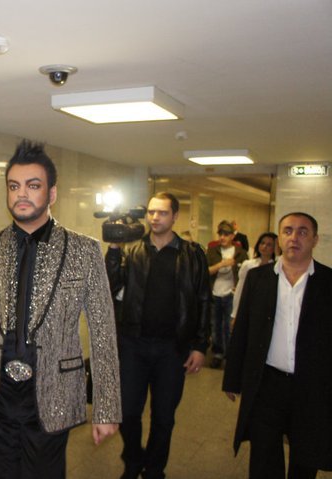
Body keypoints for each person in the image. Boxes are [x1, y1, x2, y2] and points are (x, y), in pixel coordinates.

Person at [0, 140, 121, 478]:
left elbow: (103, 333)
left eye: (33, 186)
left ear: (52, 193)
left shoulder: (84, 251)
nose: (21, 194)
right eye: (14, 186)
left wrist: (107, 408)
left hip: (52, 392)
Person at [105, 192, 211, 479]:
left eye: (162, 212)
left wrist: (200, 345)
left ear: (175, 216)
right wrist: (114, 246)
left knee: (164, 417)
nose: (155, 217)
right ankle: (133, 460)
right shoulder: (132, 251)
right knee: (128, 412)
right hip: (133, 344)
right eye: (151, 212)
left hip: (172, 349)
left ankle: (154, 469)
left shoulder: (192, 254)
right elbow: (109, 287)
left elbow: (203, 299)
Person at [223, 212, 332, 478]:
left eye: (303, 232)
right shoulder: (259, 278)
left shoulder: (328, 281)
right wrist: (232, 378)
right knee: (263, 456)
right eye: (288, 231)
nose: (294, 237)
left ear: (315, 239)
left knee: (306, 457)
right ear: (280, 238)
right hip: (267, 384)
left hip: (311, 385)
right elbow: (243, 329)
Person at [207, 220, 248, 368]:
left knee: (229, 327)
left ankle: (231, 355)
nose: (222, 237)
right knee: (215, 326)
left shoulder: (241, 253)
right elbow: (205, 272)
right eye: (220, 234)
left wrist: (239, 288)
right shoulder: (212, 251)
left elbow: (246, 274)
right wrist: (221, 264)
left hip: (231, 294)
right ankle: (217, 353)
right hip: (214, 293)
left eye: (226, 234)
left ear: (232, 236)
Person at [230, 232, 277, 325]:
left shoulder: (277, 267)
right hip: (249, 308)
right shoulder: (248, 265)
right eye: (262, 243)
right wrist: (235, 315)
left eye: (269, 245)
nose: (264, 247)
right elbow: (240, 290)